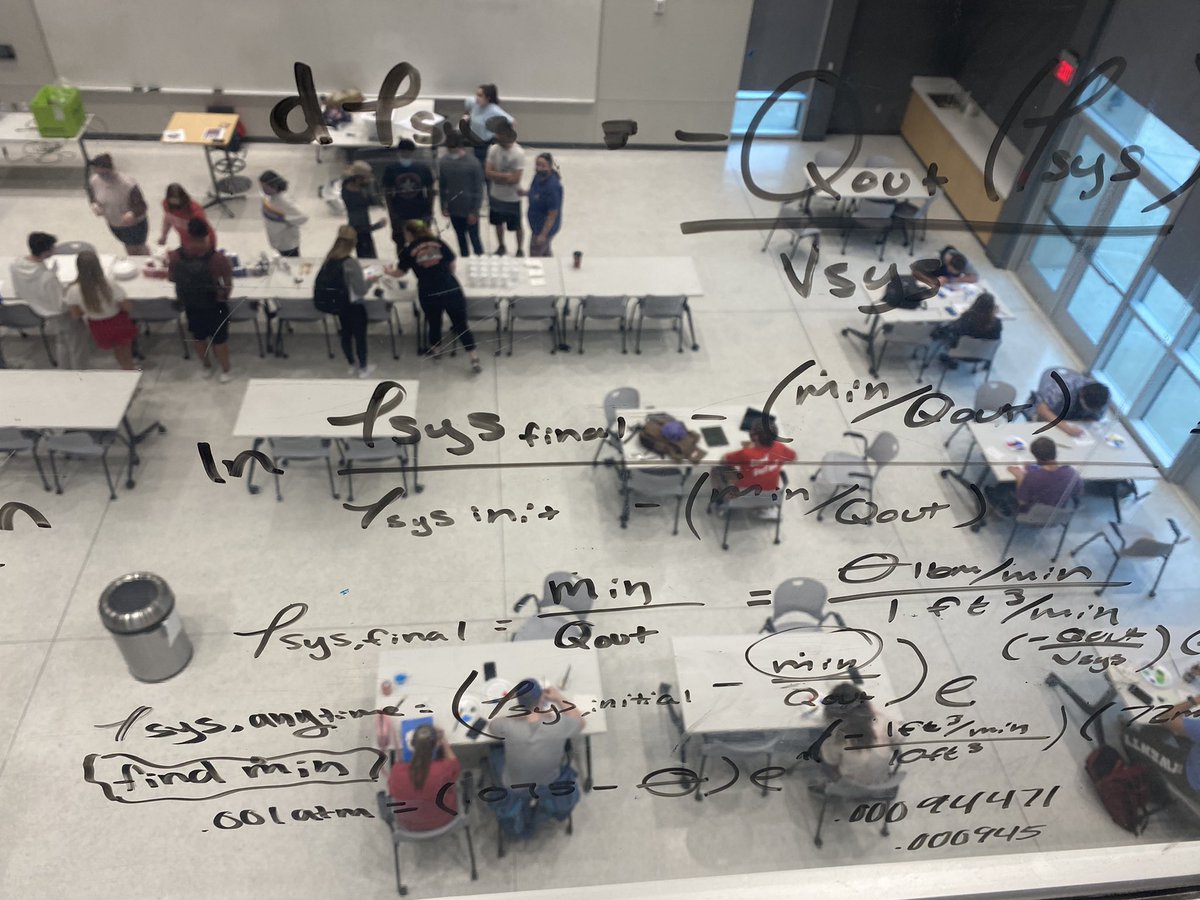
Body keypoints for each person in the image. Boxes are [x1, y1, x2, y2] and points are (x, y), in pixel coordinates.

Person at [387, 219, 482, 373]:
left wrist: (387, 272)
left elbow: (399, 273)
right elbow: (452, 264)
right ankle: (474, 358)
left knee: (434, 322)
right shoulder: (439, 243)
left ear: (410, 233)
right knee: (461, 324)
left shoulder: (408, 250)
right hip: (451, 288)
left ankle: (437, 352)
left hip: (428, 291)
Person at [7, 231, 88, 368]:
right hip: (59, 314)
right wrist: (69, 289)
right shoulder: (47, 278)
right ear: (46, 252)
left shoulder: (15, 265)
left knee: (61, 341)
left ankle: (64, 369)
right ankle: (79, 371)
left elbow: (19, 290)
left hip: (38, 308)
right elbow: (60, 304)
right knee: (76, 344)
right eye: (53, 247)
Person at [169, 219, 234, 382]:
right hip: (214, 305)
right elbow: (228, 284)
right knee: (219, 340)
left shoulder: (176, 256)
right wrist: (223, 297)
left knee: (198, 337)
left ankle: (206, 367)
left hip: (191, 304)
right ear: (207, 235)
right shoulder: (217, 258)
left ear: (188, 235)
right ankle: (225, 371)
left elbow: (171, 278)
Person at [319, 225, 379, 378]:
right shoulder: (350, 262)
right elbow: (361, 290)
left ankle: (351, 364)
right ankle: (363, 368)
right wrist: (371, 280)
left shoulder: (330, 257)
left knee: (346, 334)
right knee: (360, 337)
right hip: (354, 305)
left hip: (339, 304)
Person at [811, 682, 895, 791]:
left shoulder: (835, 736)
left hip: (850, 785)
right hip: (882, 781)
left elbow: (831, 761)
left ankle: (826, 784)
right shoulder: (883, 722)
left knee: (818, 750)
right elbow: (899, 740)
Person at [65, 250, 138, 370]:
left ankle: (125, 368)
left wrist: (88, 308)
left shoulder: (72, 291)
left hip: (97, 325)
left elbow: (75, 314)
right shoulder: (110, 285)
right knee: (125, 352)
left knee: (116, 349)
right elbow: (126, 307)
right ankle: (129, 369)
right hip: (118, 321)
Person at [386, 724, 461, 831]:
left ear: (411, 744)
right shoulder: (444, 769)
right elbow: (455, 764)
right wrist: (443, 740)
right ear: (436, 745)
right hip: (443, 818)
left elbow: (392, 791)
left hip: (409, 822)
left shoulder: (397, 771)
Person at [986, 436, 1082, 517]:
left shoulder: (1033, 477)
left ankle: (1003, 505)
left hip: (1031, 514)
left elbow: (1022, 502)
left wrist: (1020, 477)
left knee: (1004, 485)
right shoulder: (1071, 473)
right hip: (1056, 514)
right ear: (1056, 453)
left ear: (1036, 457)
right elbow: (1078, 491)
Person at [713, 417, 796, 502]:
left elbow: (723, 460)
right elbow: (793, 457)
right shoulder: (780, 447)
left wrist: (751, 450)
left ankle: (719, 501)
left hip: (743, 493)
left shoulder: (745, 453)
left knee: (716, 470)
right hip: (769, 494)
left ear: (755, 436)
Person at [87, 154, 150, 255]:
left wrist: (132, 214)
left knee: (136, 248)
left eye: (105, 173)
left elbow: (141, 206)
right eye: (99, 173)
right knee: (128, 246)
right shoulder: (94, 180)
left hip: (134, 225)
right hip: (114, 222)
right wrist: (94, 205)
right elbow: (92, 195)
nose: (103, 177)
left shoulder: (127, 183)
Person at [382, 139, 435, 254]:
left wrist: (429, 211)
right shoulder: (391, 169)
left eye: (408, 151)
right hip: (400, 212)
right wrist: (392, 213)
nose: (405, 154)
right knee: (400, 240)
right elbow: (387, 192)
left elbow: (430, 191)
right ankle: (403, 264)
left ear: (412, 152)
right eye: (403, 151)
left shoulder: (423, 169)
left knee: (421, 239)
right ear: (399, 152)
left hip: (419, 211)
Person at [438, 130, 485, 257]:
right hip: (454, 209)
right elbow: (442, 186)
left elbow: (479, 190)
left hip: (469, 208)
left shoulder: (473, 163)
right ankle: (464, 259)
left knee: (475, 239)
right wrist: (443, 205)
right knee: (460, 238)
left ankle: (480, 260)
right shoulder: (444, 162)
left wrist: (474, 211)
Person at [929, 291, 1002, 367]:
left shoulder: (968, 318)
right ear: (992, 308)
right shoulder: (997, 323)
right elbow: (996, 339)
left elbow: (954, 330)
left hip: (961, 352)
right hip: (983, 354)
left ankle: (950, 359)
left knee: (944, 330)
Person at [485, 123, 525, 256]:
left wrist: (496, 176)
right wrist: (505, 176)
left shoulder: (518, 153)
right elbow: (488, 173)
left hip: (512, 198)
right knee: (498, 224)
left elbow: (515, 179)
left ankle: (519, 249)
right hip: (496, 196)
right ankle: (501, 246)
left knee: (517, 226)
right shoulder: (493, 149)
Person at [1033, 368, 1111, 437]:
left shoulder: (1103, 398)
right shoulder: (1063, 387)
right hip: (1053, 415)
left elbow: (1095, 418)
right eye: (1085, 406)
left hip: (1074, 422)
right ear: (1082, 394)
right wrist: (1066, 428)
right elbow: (1041, 408)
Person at [521, 152, 563, 257]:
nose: (539, 168)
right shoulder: (538, 177)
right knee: (545, 251)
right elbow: (535, 192)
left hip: (543, 229)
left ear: (549, 167)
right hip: (536, 225)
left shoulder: (552, 187)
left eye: (542, 166)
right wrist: (526, 193)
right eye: (537, 164)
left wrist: (543, 235)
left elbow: (552, 214)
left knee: (535, 254)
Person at [462, 83, 513, 169]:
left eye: (480, 96)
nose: (476, 98)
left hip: (484, 142)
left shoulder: (494, 110)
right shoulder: (472, 102)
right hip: (472, 135)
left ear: (488, 98)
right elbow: (467, 109)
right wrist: (466, 116)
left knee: (481, 164)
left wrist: (502, 137)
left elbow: (511, 121)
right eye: (476, 94)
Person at [259, 170, 308, 257]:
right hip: (278, 240)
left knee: (292, 263)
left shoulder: (284, 201)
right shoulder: (270, 198)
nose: (262, 190)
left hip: (287, 243)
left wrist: (285, 219)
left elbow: (303, 217)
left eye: (265, 187)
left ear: (273, 186)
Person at [341, 161, 380, 259]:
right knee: (367, 256)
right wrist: (378, 225)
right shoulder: (355, 199)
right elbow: (360, 228)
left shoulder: (349, 187)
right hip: (362, 232)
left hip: (363, 228)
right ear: (358, 178)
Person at [157, 184, 215, 250]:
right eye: (172, 198)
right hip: (185, 242)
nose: (174, 200)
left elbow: (203, 230)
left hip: (201, 243)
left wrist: (207, 248)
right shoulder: (167, 205)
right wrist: (164, 236)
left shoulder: (195, 210)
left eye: (177, 197)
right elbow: (168, 219)